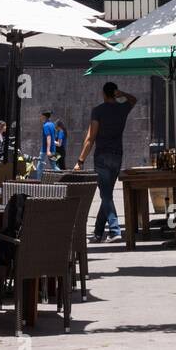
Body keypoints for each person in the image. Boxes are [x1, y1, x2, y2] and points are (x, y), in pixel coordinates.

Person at [74, 82, 137, 242]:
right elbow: (134, 99)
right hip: (117, 156)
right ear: (114, 93)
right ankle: (97, 232)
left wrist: (80, 160)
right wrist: (122, 93)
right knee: (106, 194)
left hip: (102, 156)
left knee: (105, 194)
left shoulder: (98, 111)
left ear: (103, 94)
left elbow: (91, 137)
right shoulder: (123, 109)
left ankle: (115, 230)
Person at [35, 110, 58, 178]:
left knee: (39, 166)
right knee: (54, 166)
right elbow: (54, 136)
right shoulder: (52, 124)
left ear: (44, 117)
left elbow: (49, 137)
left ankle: (39, 182)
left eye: (41, 116)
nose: (40, 117)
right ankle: (63, 178)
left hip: (45, 150)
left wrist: (48, 150)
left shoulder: (45, 126)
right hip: (53, 149)